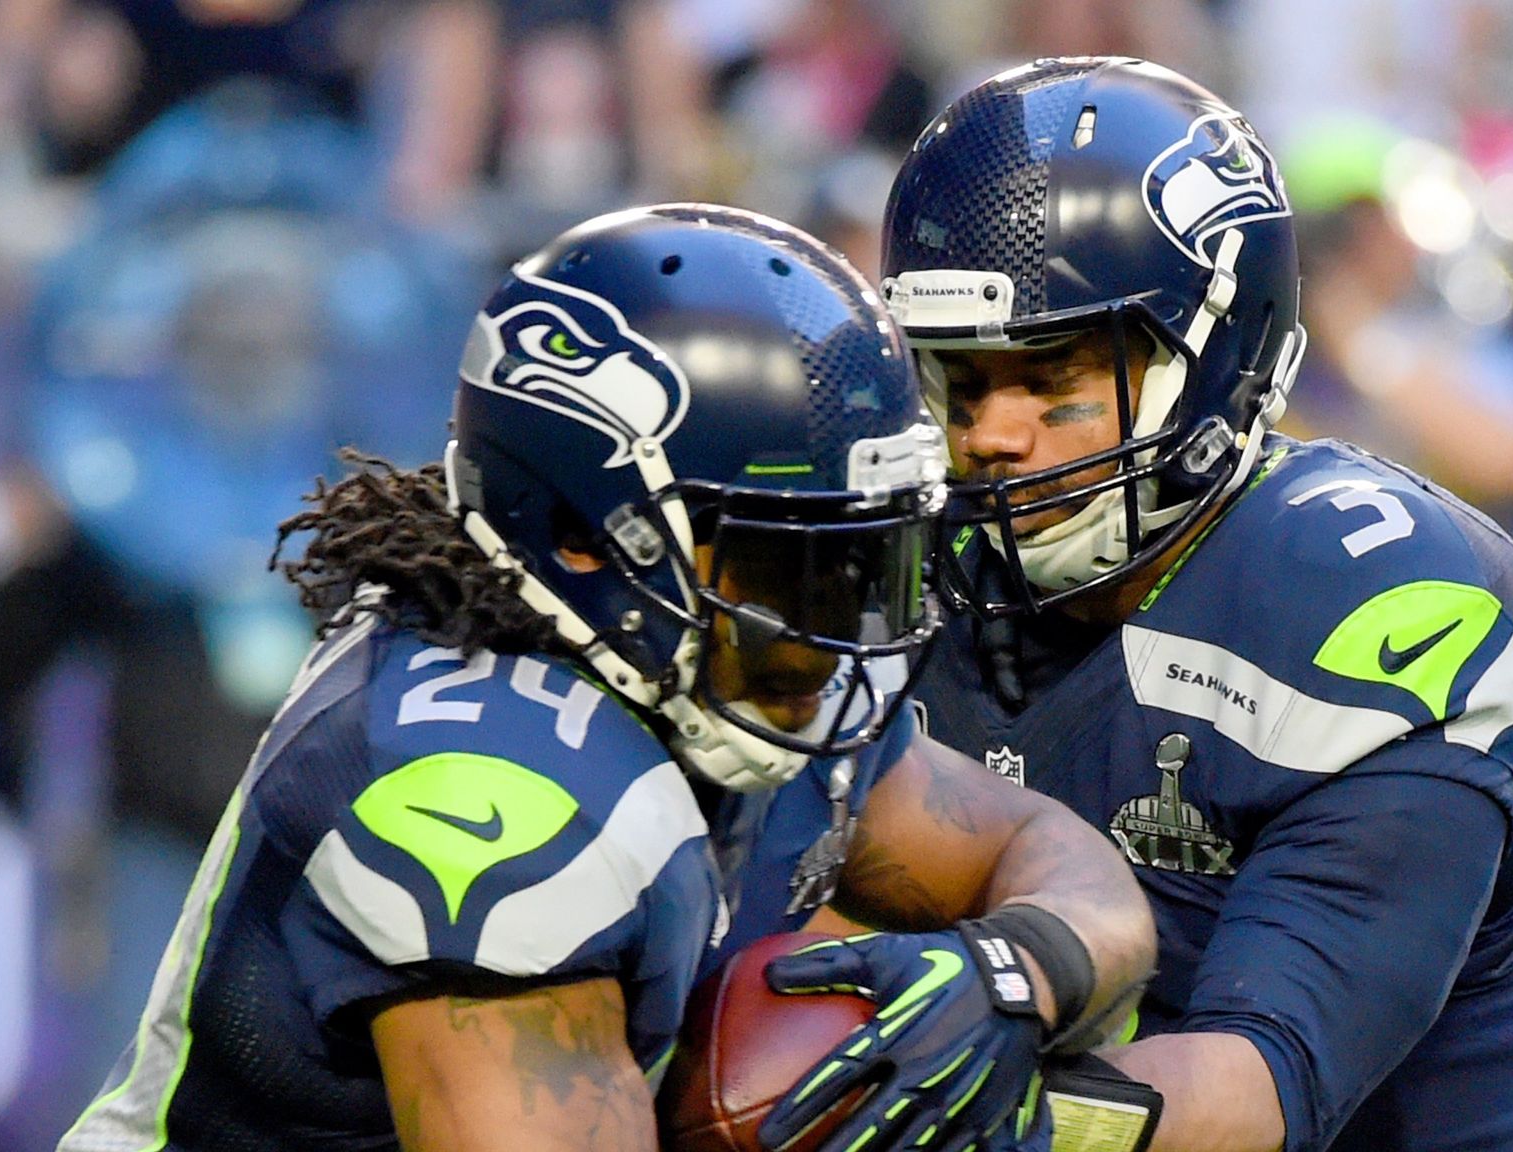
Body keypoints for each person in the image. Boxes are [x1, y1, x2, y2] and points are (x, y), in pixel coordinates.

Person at [57, 205, 1156, 1152]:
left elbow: (1055, 863)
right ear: (587, 536)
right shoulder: (479, 785)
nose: (835, 631)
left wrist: (1014, 972)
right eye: (794, 566)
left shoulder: (735, 674)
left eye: (866, 562)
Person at [880, 58, 1513, 1152]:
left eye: (1050, 379)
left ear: (1209, 362)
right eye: (961, 378)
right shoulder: (895, 582)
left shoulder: (1381, 599)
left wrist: (947, 1106)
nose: (991, 436)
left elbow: (1263, 1089)